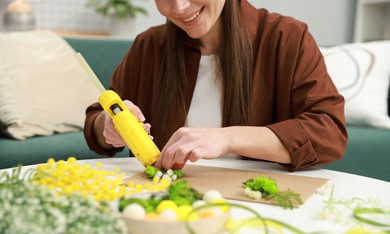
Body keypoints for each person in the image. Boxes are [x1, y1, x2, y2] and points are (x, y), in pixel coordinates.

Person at [84, 0, 348, 171]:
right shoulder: (149, 46)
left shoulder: (287, 37)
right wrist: (107, 126)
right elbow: (97, 121)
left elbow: (328, 133)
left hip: (256, 205)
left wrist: (226, 138)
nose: (179, 7)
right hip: (167, 207)